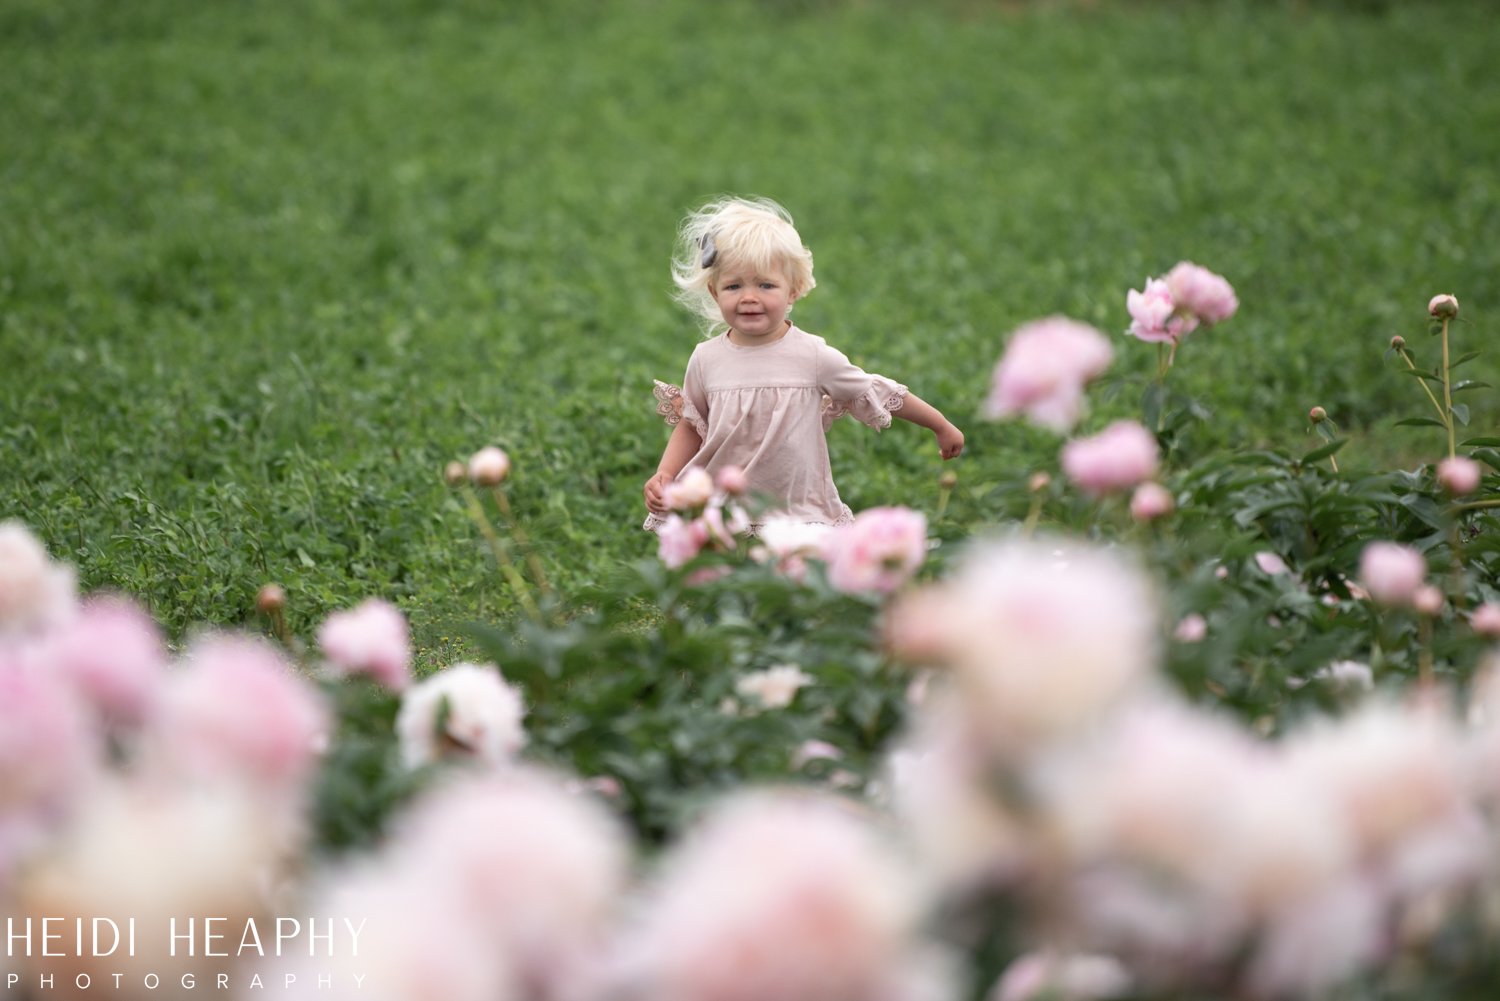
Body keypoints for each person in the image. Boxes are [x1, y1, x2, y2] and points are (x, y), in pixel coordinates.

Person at [643, 196, 964, 533]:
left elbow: (872, 389)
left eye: (766, 285)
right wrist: (666, 473)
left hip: (796, 508)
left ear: (793, 291)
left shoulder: (812, 355)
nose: (749, 297)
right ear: (714, 291)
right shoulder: (706, 358)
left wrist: (939, 424)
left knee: (792, 582)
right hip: (724, 510)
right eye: (733, 286)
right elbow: (693, 423)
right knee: (729, 583)